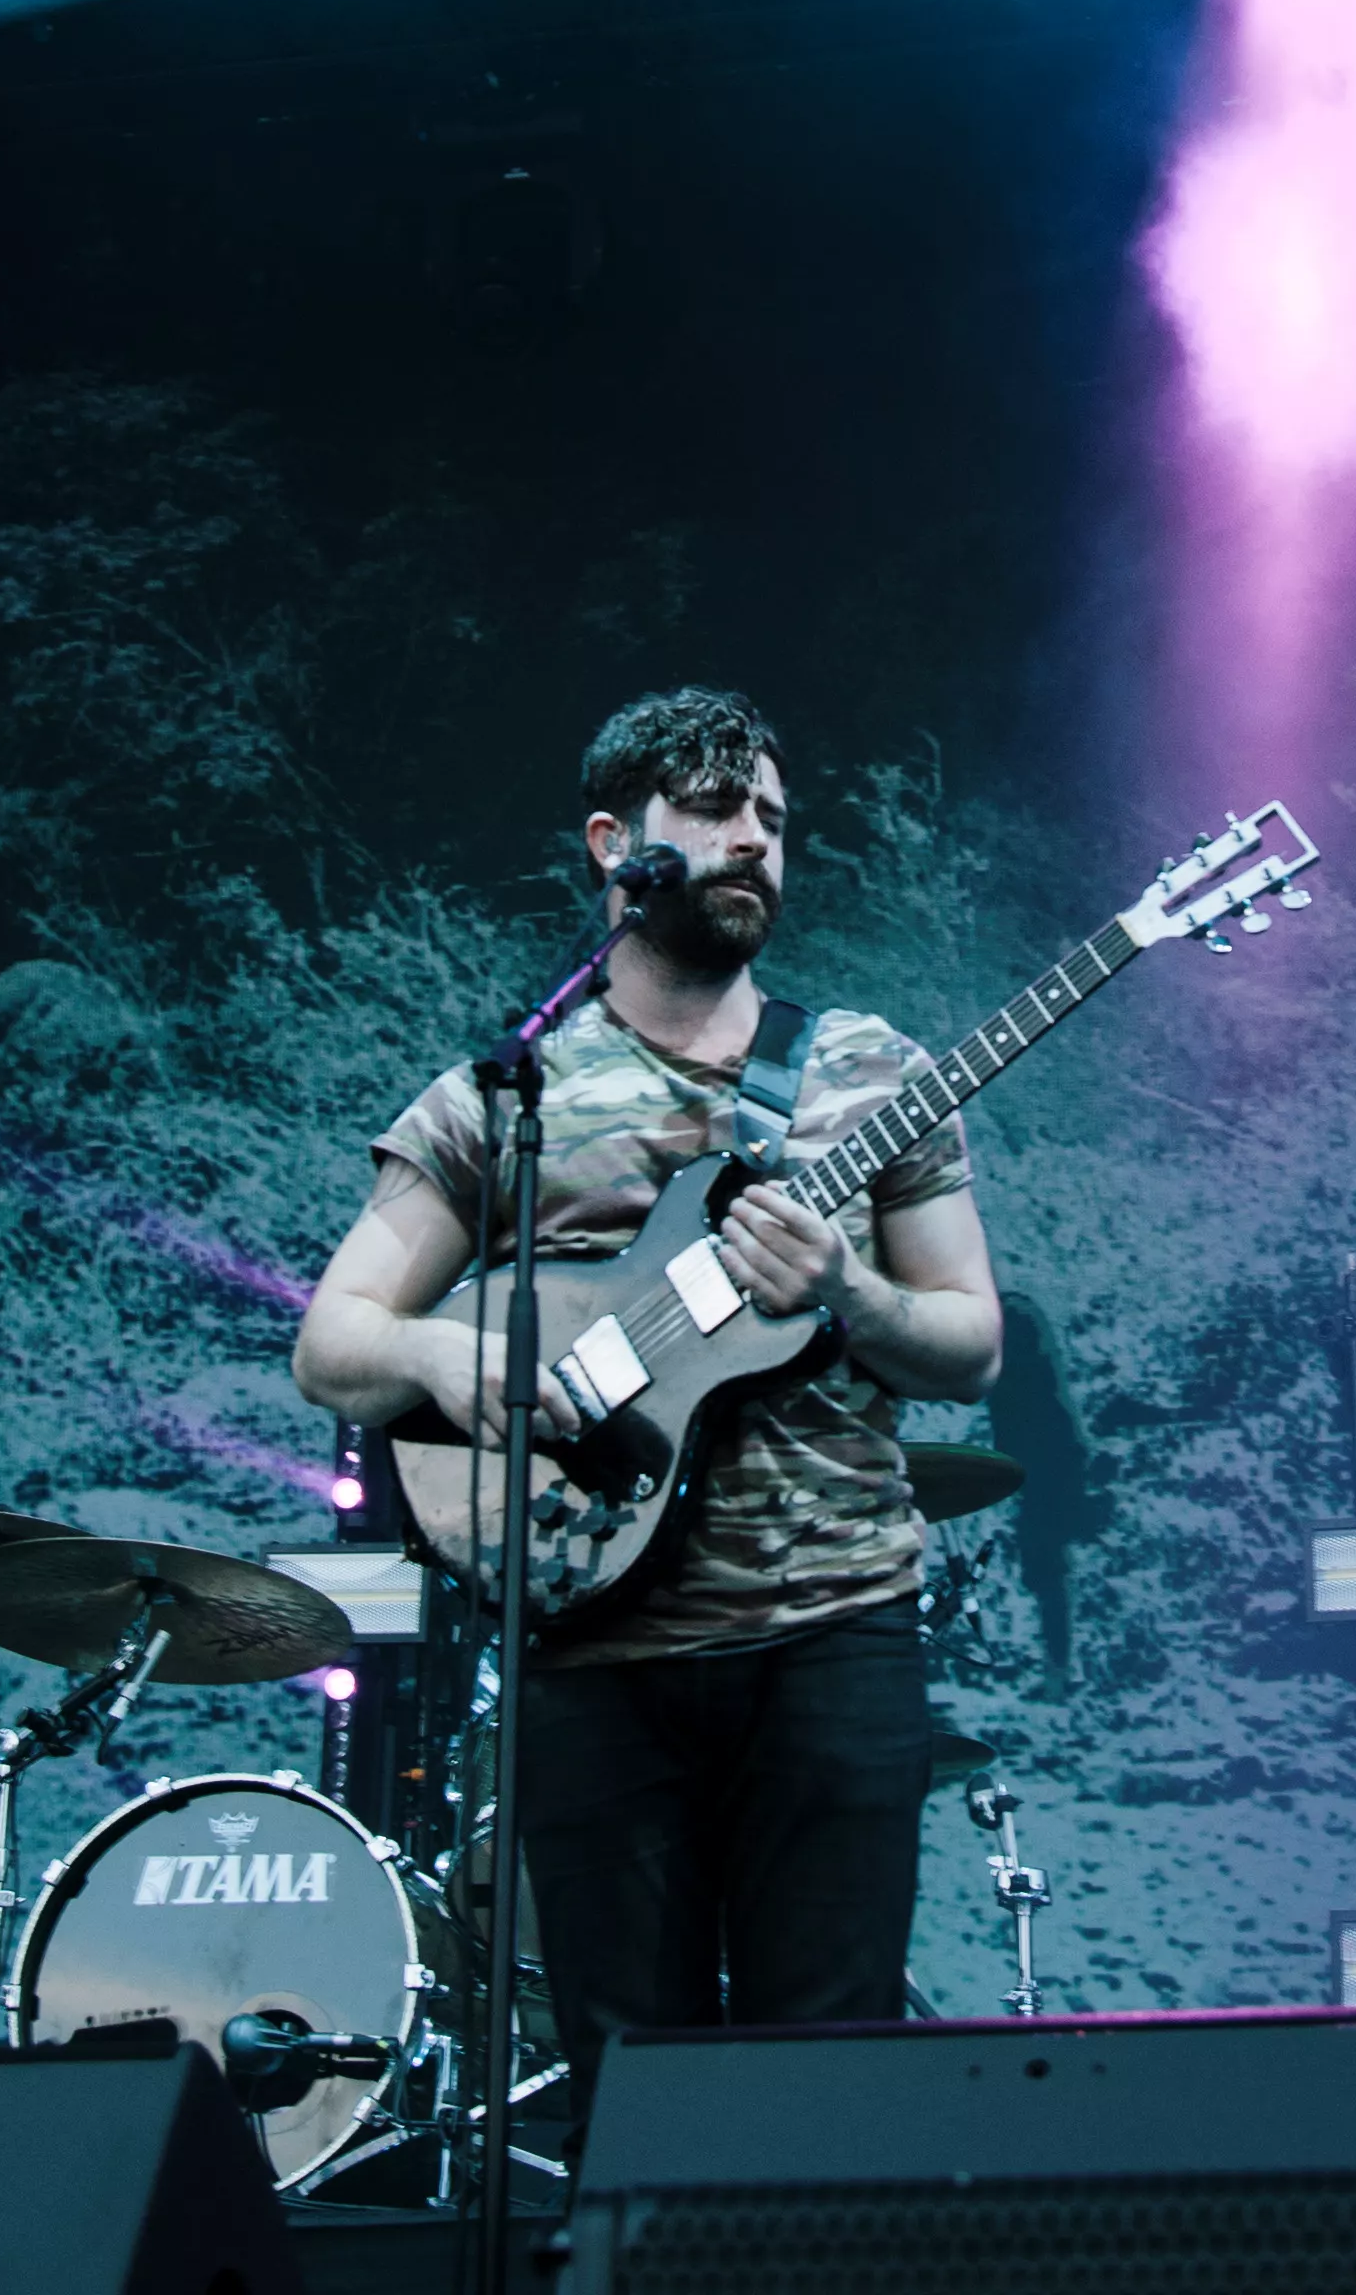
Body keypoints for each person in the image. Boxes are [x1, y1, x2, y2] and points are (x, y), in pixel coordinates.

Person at [294, 686, 1005, 2095]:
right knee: (633, 2087)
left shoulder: (871, 1074)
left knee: (836, 2070)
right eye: (719, 812)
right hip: (596, 1649)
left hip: (834, 1634)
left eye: (775, 820)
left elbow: (968, 1344)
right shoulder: (506, 1099)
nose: (755, 842)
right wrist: (459, 1356)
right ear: (618, 844)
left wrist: (846, 1297)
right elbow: (335, 1342)